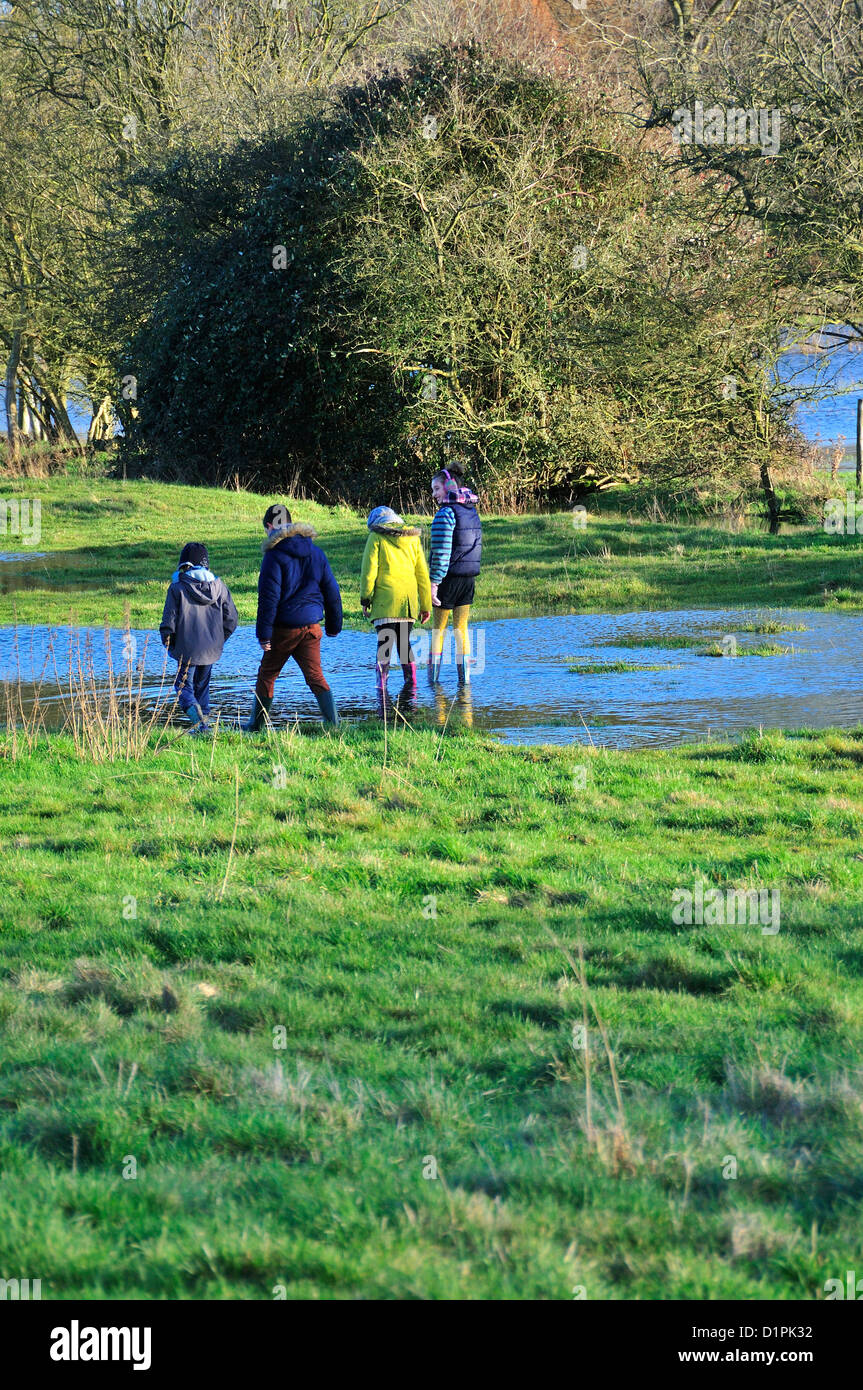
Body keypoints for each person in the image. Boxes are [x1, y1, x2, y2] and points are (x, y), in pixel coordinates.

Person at [243, 503, 342, 731]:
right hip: (311, 627)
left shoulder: (273, 556)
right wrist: (334, 625)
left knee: (267, 674)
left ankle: (256, 726)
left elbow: (268, 599)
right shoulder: (316, 551)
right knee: (315, 675)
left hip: (284, 630)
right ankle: (334, 724)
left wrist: (264, 635)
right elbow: (332, 591)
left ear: (270, 526)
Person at [160, 542, 238, 732]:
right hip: (211, 649)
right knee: (202, 688)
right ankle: (205, 728)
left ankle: (201, 725)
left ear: (183, 565)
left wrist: (170, 646)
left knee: (182, 688)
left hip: (186, 650)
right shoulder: (219, 586)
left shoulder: (177, 587)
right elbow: (232, 619)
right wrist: (218, 640)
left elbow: (168, 623)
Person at [359, 506, 431, 709]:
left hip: (384, 602)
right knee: (404, 645)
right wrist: (425, 605)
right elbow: (422, 575)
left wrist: (366, 599)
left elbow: (368, 572)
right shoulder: (412, 539)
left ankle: (381, 692)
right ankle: (412, 688)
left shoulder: (375, 537)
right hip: (406, 604)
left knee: (384, 647)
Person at [427, 462, 482, 683]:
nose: (434, 495)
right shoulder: (471, 511)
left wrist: (433, 583)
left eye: (436, 489)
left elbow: (441, 551)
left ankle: (432, 682)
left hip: (448, 580)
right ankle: (465, 682)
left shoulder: (445, 513)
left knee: (438, 630)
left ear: (449, 487)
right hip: (468, 579)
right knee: (461, 628)